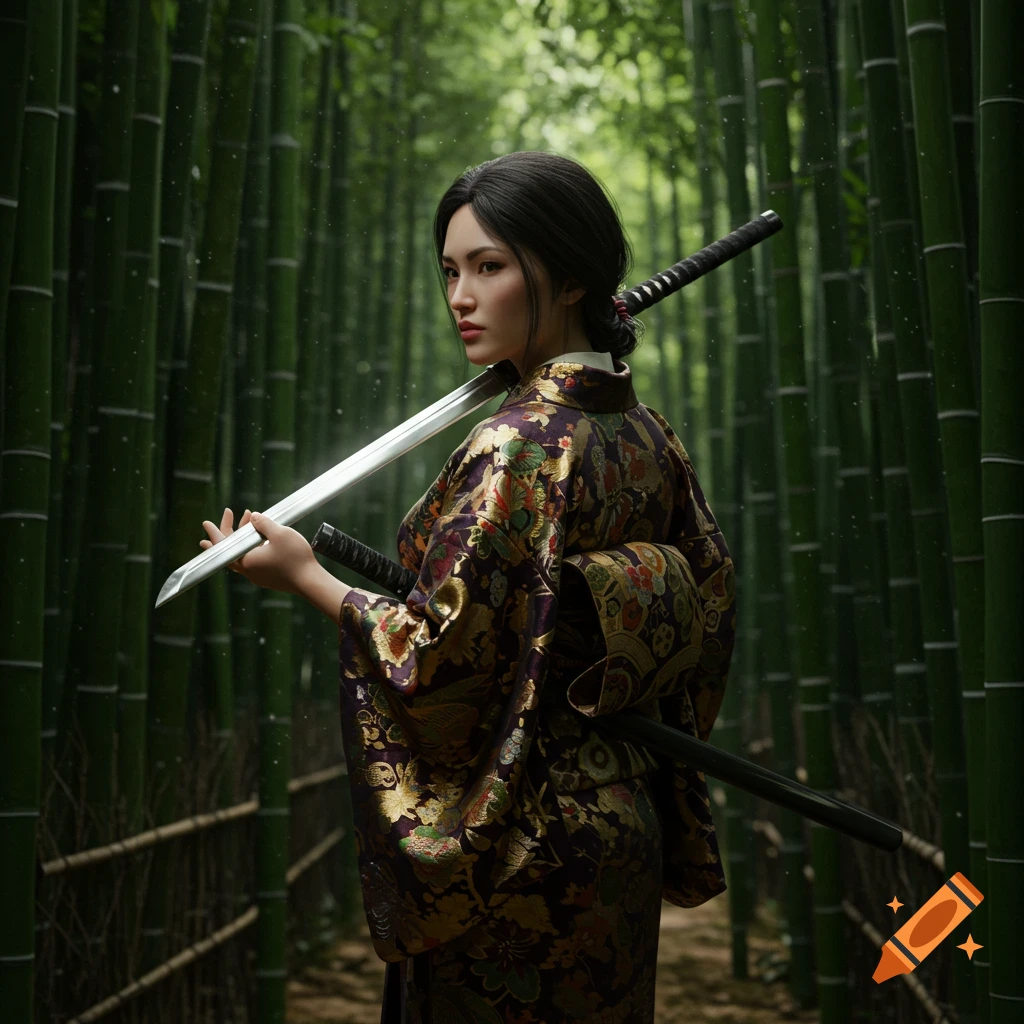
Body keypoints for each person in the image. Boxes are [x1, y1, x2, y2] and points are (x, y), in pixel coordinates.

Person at [201, 151, 735, 1023]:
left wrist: (305, 577)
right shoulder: (647, 434)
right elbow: (708, 609)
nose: (460, 296)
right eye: (450, 270)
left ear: (570, 279)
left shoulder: (517, 445)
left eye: (489, 267)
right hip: (620, 821)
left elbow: (438, 659)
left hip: (519, 842)